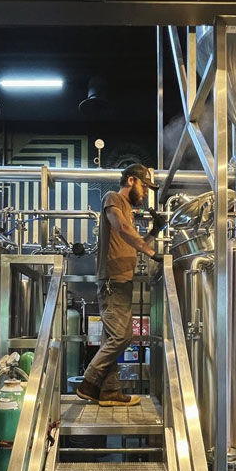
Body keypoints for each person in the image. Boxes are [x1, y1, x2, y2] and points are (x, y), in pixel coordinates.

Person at [76, 164, 166, 407]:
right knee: (122, 337)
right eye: (144, 185)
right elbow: (121, 228)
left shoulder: (128, 210)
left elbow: (131, 242)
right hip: (112, 281)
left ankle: (109, 391)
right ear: (130, 180)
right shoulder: (113, 199)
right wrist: (150, 251)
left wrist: (154, 232)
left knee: (111, 339)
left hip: (122, 280)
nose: (146, 192)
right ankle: (88, 381)